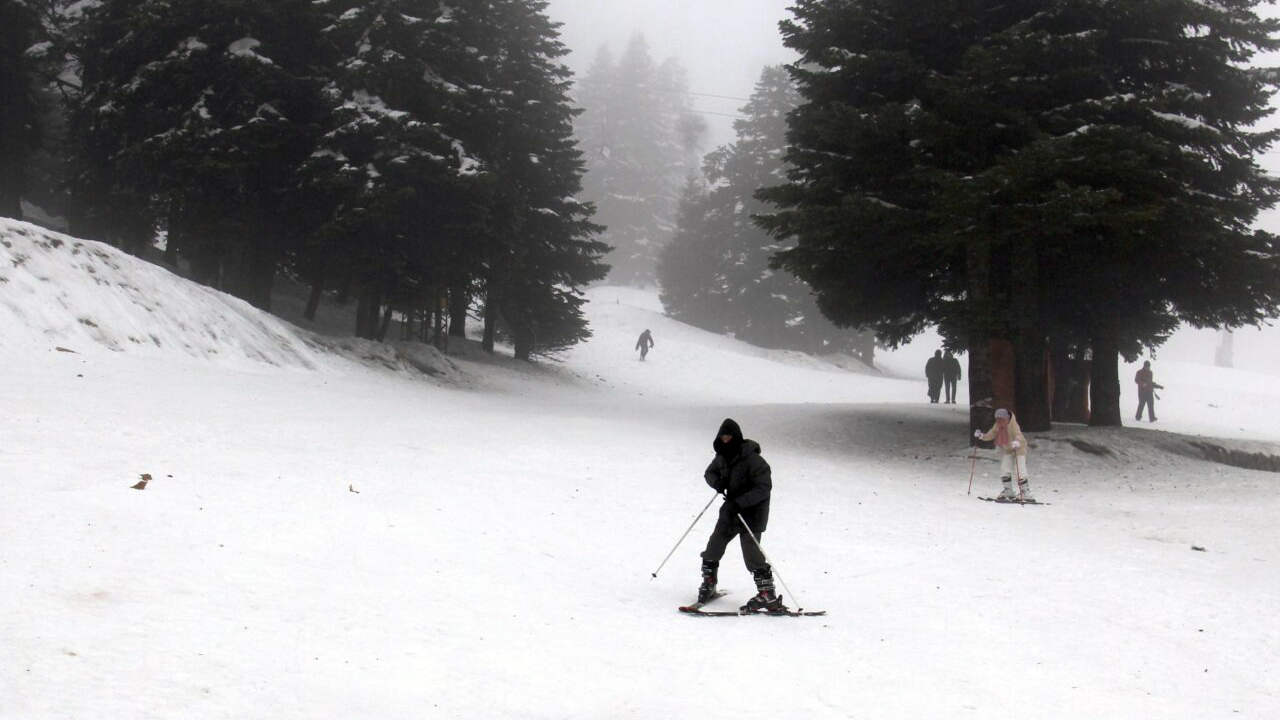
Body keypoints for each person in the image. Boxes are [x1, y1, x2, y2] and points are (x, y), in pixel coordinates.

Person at [696, 418, 784, 613]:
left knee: (752, 554)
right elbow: (709, 473)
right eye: (722, 437)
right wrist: (717, 483)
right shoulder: (721, 457)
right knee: (713, 547)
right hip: (730, 511)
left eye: (729, 436)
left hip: (752, 513)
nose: (725, 440)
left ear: (737, 437)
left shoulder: (753, 459)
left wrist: (741, 502)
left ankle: (767, 594)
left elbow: (764, 487)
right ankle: (709, 583)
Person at [974, 408, 1035, 501]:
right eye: (997, 418)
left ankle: (1026, 493)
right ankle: (1008, 491)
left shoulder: (1012, 424)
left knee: (1020, 469)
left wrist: (1017, 441)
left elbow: (1018, 434)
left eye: (1001, 418)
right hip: (1008, 448)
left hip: (1018, 448)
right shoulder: (997, 425)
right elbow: (991, 434)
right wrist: (981, 436)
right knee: (1004, 469)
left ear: (1006, 418)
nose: (999, 420)